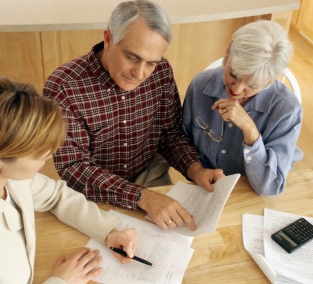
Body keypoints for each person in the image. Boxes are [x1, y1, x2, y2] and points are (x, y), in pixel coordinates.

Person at [0, 77, 138, 284]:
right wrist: (60, 281)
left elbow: (55, 196)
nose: (48, 156)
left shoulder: (2, 176)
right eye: (38, 153)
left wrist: (108, 231)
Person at [43, 0, 224, 231]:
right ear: (108, 39)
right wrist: (143, 197)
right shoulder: (64, 87)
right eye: (132, 57)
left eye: (150, 63)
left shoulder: (161, 72)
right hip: (93, 192)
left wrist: (195, 169)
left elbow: (170, 135)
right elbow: (74, 168)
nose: (140, 74)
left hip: (151, 174)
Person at [182, 20, 303, 196]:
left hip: (253, 191)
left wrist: (251, 133)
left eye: (252, 84)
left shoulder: (287, 110)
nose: (236, 90)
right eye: (234, 74)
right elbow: (181, 141)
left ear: (269, 81)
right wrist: (196, 171)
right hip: (206, 188)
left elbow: (270, 188)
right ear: (227, 53)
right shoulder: (200, 85)